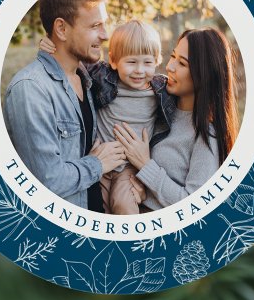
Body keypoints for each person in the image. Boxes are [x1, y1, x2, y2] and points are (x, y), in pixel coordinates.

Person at [3, 0, 126, 212]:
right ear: (61, 28)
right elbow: (46, 181)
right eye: (94, 26)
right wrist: (98, 164)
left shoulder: (88, 79)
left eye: (104, 24)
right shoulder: (31, 89)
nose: (105, 34)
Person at [40, 20, 176, 215]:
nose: (139, 70)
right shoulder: (103, 76)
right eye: (131, 62)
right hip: (99, 161)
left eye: (147, 62)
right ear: (113, 61)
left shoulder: (161, 90)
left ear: (157, 61)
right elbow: (73, 59)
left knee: (123, 205)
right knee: (97, 207)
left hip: (129, 167)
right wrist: (50, 46)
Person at [113, 28, 238, 210]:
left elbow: (195, 206)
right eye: (173, 57)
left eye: (182, 63)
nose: (170, 66)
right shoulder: (157, 101)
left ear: (204, 73)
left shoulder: (207, 135)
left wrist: (145, 165)